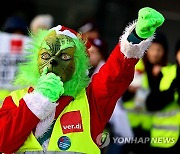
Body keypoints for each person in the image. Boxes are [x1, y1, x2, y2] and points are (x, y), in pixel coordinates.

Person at [0, 7, 164, 153]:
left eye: (64, 56)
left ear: (78, 63)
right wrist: (39, 100)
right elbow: (3, 142)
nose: (53, 62)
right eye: (45, 55)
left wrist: (135, 37)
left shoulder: (91, 101)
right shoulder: (16, 99)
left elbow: (115, 75)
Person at [122, 32, 169, 154]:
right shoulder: (136, 66)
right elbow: (122, 97)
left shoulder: (168, 71)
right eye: (152, 48)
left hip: (151, 129)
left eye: (159, 49)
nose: (155, 53)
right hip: (127, 126)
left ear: (165, 51)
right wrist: (129, 91)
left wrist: (156, 78)